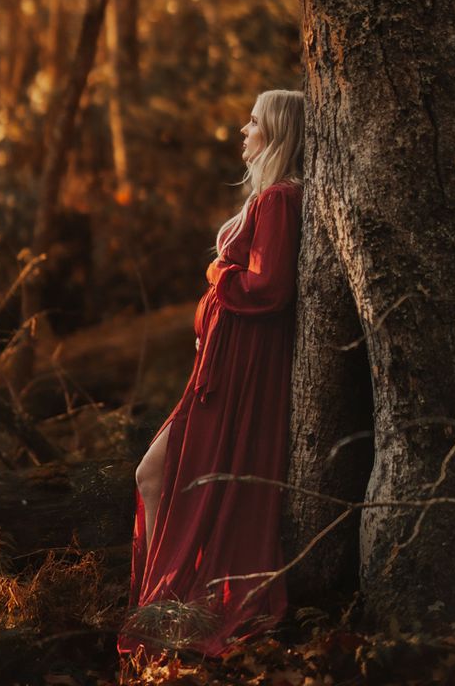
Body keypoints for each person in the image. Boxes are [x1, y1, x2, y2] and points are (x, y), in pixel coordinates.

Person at [117, 89, 304, 662]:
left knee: (161, 477)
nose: (242, 131)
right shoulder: (268, 198)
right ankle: (157, 608)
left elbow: (269, 289)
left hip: (240, 372)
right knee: (153, 475)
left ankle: (168, 613)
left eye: (253, 123)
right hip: (220, 365)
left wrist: (218, 274)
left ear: (275, 134)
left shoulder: (278, 198)